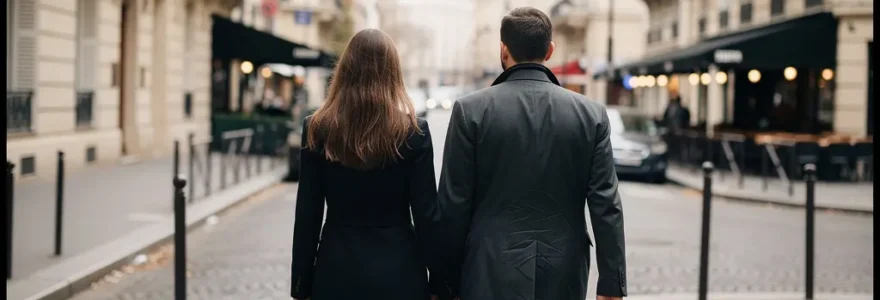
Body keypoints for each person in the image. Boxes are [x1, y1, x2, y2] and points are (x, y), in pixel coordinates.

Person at [434, 7, 627, 300]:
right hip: (564, 269)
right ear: (550, 51)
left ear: (503, 49)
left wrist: (443, 284)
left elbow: (452, 205)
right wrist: (612, 282)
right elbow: (606, 203)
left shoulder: (470, 111)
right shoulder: (591, 114)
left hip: (489, 268)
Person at [289, 29, 443, 300]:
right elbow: (426, 215)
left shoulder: (318, 128)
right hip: (400, 272)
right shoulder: (413, 132)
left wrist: (301, 285)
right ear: (392, 73)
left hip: (336, 271)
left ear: (345, 70)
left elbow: (307, 214)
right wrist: (442, 285)